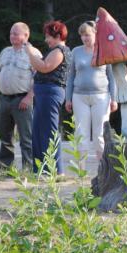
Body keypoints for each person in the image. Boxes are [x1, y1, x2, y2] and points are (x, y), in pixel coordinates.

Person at [65, 21, 117, 169]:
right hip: (79, 96)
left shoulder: (104, 50)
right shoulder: (76, 51)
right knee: (81, 132)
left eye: (87, 34)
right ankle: (80, 168)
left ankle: (103, 168)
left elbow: (112, 78)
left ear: (95, 34)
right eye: (82, 35)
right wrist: (68, 98)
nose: (85, 38)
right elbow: (70, 76)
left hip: (101, 96)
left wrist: (114, 99)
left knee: (100, 132)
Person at [0, 22, 38, 170]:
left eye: (16, 33)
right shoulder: (5, 52)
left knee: (26, 139)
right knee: (5, 138)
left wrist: (29, 97)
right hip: (5, 99)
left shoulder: (33, 53)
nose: (12, 36)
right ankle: (5, 170)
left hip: (22, 100)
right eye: (11, 33)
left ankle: (28, 170)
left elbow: (39, 79)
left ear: (26, 35)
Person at [25, 20, 71, 174]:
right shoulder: (55, 50)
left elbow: (45, 67)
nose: (46, 40)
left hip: (50, 93)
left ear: (57, 35)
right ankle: (41, 169)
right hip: (44, 93)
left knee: (49, 131)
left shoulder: (59, 50)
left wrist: (30, 52)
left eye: (48, 36)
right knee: (38, 130)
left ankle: (56, 170)